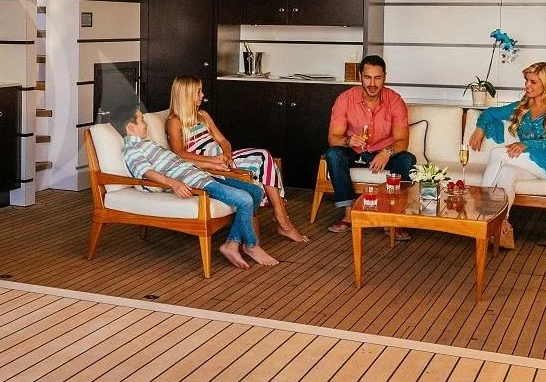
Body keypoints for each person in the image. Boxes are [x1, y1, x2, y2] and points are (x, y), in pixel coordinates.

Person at [119, 108, 278, 269]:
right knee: (244, 199)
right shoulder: (132, 150)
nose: (145, 124)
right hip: (192, 182)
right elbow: (147, 172)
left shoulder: (147, 143)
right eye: (141, 121)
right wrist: (173, 183)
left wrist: (211, 165)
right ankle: (251, 245)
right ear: (131, 127)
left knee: (256, 191)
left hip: (201, 175)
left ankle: (232, 243)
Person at [164, 77, 308, 243]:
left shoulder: (203, 115)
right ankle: (282, 218)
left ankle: (279, 218)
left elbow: (224, 141)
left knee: (266, 159)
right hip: (208, 166)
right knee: (264, 160)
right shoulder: (175, 121)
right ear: (186, 95)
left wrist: (226, 155)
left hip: (224, 160)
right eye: (198, 91)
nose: (202, 95)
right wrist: (211, 161)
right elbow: (179, 153)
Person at [467, 61, 546, 249]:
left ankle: (481, 211)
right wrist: (479, 129)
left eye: (533, 82)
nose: (527, 85)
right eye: (527, 80)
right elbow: (491, 113)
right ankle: (502, 224)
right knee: (506, 173)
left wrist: (525, 144)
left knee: (498, 154)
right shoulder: (522, 107)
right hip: (533, 164)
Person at [325, 54, 417, 234]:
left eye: (377, 78)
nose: (372, 83)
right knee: (333, 154)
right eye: (367, 77)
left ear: (385, 77)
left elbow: (402, 141)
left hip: (383, 154)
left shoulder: (395, 100)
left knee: (407, 160)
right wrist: (347, 140)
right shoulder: (345, 99)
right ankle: (348, 215)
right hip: (354, 151)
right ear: (360, 76)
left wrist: (386, 152)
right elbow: (333, 138)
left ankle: (393, 219)